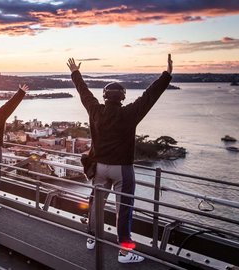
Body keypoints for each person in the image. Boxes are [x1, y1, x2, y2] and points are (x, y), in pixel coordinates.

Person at [67, 54, 173, 263]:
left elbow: (84, 93)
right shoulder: (130, 113)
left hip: (99, 168)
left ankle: (91, 237)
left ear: (105, 96)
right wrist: (167, 75)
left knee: (96, 203)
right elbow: (150, 95)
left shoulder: (96, 111)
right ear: (122, 97)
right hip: (122, 169)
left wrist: (75, 73)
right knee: (123, 209)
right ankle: (124, 251)